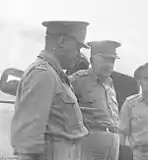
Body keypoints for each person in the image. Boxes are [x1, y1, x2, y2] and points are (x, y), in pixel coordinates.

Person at [10, 21, 90, 160]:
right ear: (62, 41)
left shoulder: (55, 75)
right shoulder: (43, 74)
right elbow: (28, 140)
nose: (78, 54)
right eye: (77, 47)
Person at [69, 40, 121, 160]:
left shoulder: (110, 83)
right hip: (90, 142)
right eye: (105, 60)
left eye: (112, 61)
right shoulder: (79, 79)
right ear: (92, 60)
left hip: (113, 142)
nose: (109, 65)